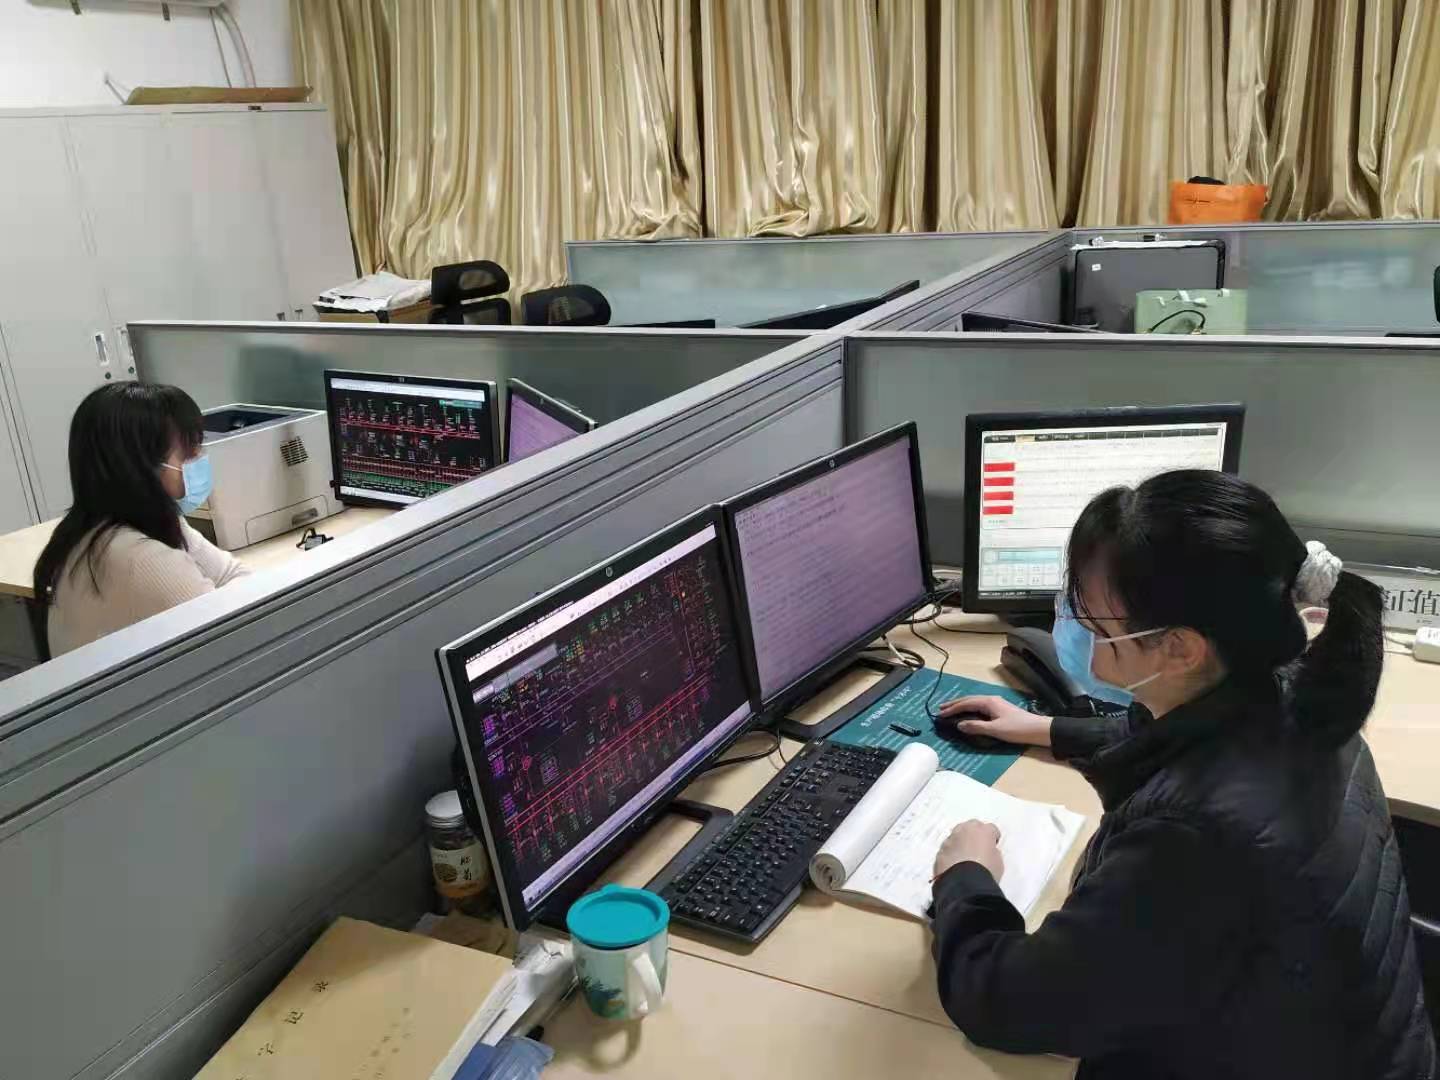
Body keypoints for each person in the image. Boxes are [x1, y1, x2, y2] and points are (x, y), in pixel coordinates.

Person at [931, 470, 1435, 1080]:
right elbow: (1187, 741)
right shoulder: (1302, 695)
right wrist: (1048, 729)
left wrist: (965, 878)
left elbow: (1014, 1004)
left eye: (1096, 626)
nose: (1078, 632)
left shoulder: (1195, 839)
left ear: (1181, 649)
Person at [34, 383, 248, 656]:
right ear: (141, 464)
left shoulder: (97, 529)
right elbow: (233, 637)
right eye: (187, 451)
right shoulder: (139, 560)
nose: (199, 457)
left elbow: (234, 575)